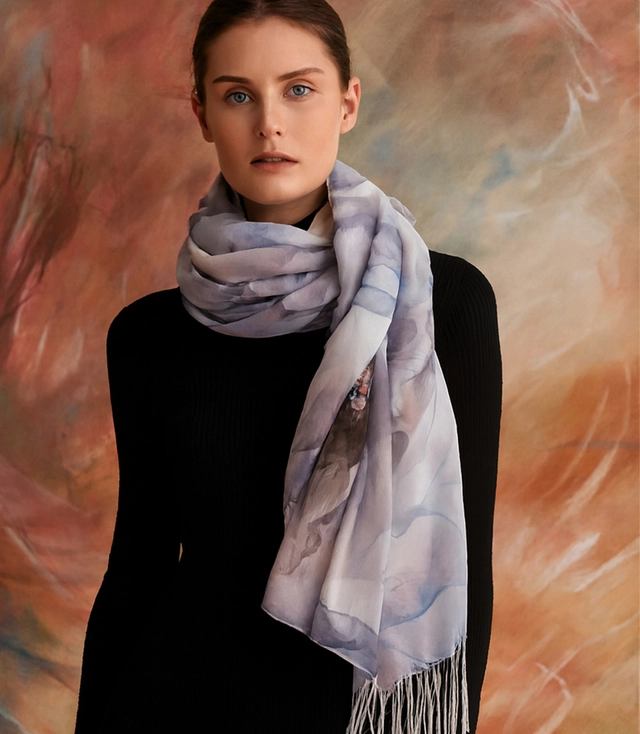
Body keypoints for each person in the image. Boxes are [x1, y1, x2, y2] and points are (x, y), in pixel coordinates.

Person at [74, 1, 501, 732]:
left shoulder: (442, 302)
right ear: (203, 113)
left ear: (347, 103)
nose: (269, 122)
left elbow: (465, 564)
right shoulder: (146, 336)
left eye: (299, 89)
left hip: (352, 712)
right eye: (238, 95)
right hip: (170, 706)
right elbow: (138, 566)